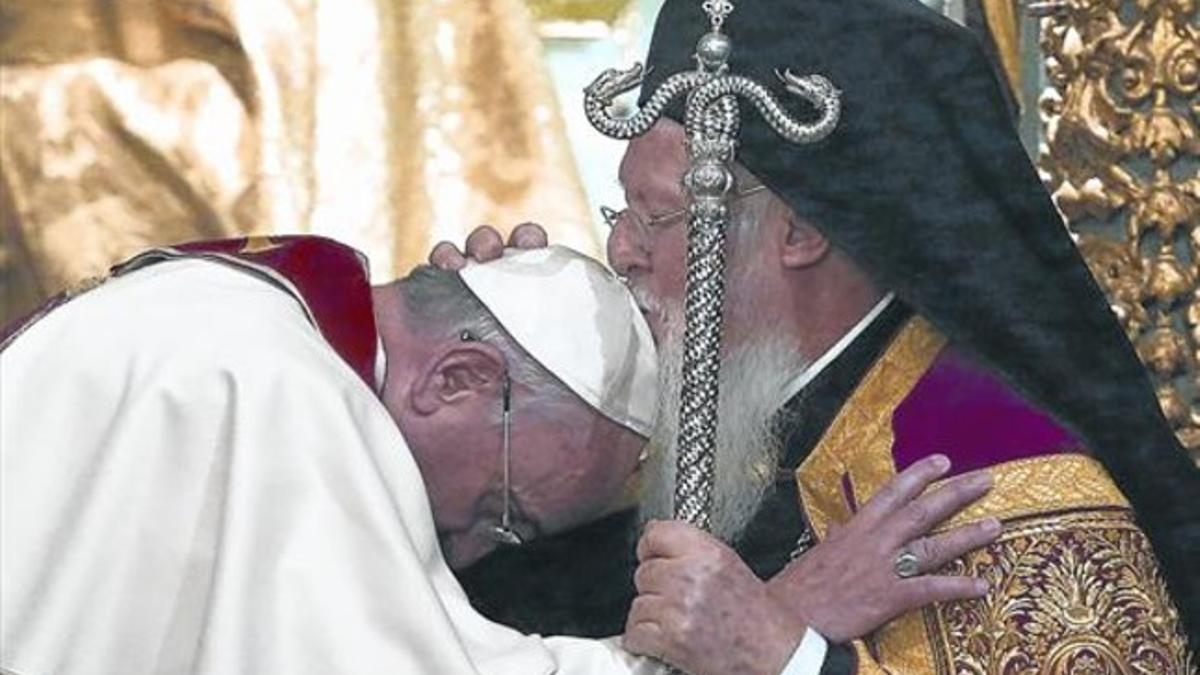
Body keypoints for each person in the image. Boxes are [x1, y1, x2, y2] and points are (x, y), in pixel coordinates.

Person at [436, 0, 1199, 671]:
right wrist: (446, 401)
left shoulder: (993, 487)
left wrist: (791, 658)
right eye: (620, 213)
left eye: (655, 216)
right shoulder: (704, 422)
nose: (622, 250)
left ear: (798, 232)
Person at [0, 234, 996, 674]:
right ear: (458, 381)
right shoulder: (283, 396)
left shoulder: (225, 316)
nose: (470, 553)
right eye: (503, 513)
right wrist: (775, 629)